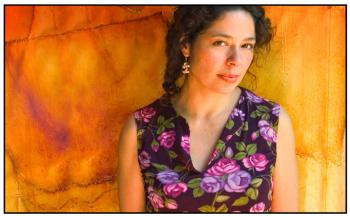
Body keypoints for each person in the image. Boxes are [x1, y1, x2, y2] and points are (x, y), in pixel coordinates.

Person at [117, 6, 299, 212]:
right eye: (220, 43)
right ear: (185, 44)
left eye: (247, 45)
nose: (236, 61)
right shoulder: (141, 130)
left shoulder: (271, 123)